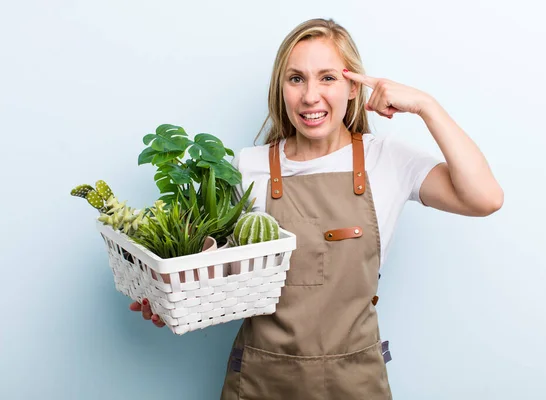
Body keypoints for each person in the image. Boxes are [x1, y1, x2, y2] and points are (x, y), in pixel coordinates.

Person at [130, 18, 503, 399]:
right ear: (282, 88)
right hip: (261, 380)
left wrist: (427, 106)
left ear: (353, 87)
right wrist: (170, 299)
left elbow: (485, 198)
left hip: (354, 382)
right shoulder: (247, 166)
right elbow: (218, 275)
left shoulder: (386, 159)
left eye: (327, 78)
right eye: (296, 79)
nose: (310, 96)